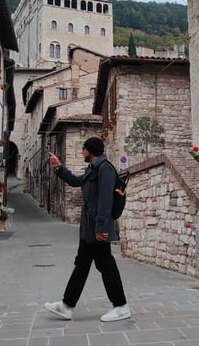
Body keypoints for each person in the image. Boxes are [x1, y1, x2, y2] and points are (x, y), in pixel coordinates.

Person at [44, 137, 131, 322]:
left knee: (105, 264)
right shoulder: (92, 169)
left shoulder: (105, 168)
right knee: (82, 264)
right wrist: (58, 167)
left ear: (90, 151)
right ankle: (66, 306)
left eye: (83, 149)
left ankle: (121, 306)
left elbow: (105, 200)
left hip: (97, 228)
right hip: (88, 229)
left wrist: (100, 227)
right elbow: (76, 181)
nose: (82, 151)